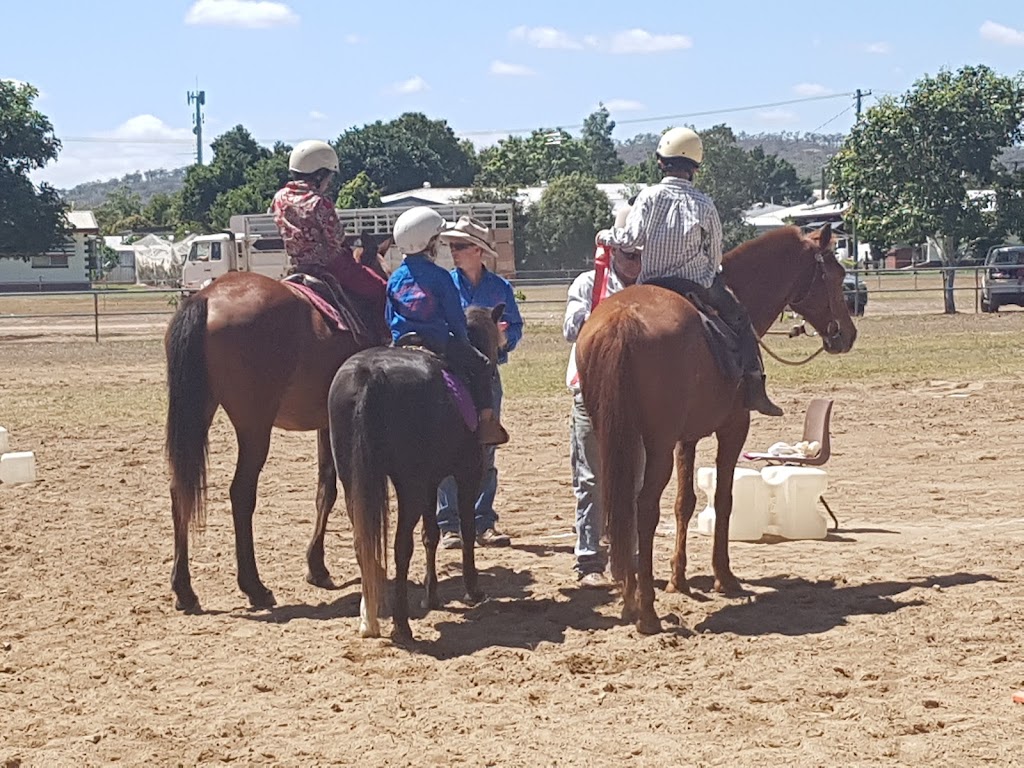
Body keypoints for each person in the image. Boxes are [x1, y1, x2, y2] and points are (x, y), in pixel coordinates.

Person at [596, 127, 783, 417]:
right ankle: (754, 386)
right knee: (740, 320)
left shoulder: (647, 196)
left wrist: (605, 236)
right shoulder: (705, 204)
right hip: (696, 285)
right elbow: (715, 252)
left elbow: (631, 238)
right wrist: (709, 276)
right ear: (695, 167)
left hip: (652, 284)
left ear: (660, 162)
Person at [434, 217, 524, 549]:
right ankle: (450, 524)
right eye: (451, 246)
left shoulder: (500, 288)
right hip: (453, 373)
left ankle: (483, 520)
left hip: (486, 374)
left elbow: (515, 327)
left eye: (459, 246)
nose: (453, 252)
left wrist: (503, 338)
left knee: (486, 445)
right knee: (447, 444)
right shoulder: (445, 283)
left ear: (477, 251)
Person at [386, 207, 509, 446]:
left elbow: (389, 316)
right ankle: (486, 423)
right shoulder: (440, 276)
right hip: (437, 341)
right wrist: (464, 340)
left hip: (400, 343)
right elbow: (455, 319)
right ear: (429, 243)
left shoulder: (394, 278)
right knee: (482, 365)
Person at [565, 205, 642, 585]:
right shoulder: (587, 284)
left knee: (637, 477)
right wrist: (603, 315)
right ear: (614, 252)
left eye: (640, 255)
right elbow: (569, 328)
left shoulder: (652, 291)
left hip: (639, 397)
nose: (635, 263)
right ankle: (589, 557)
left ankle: (630, 554)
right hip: (589, 392)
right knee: (591, 478)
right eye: (629, 254)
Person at [271, 140, 387, 337]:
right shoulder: (319, 202)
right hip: (333, 264)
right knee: (382, 289)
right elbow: (336, 238)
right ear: (319, 174)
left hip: (299, 265)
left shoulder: (279, 198)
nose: (328, 183)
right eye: (328, 177)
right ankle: (384, 337)